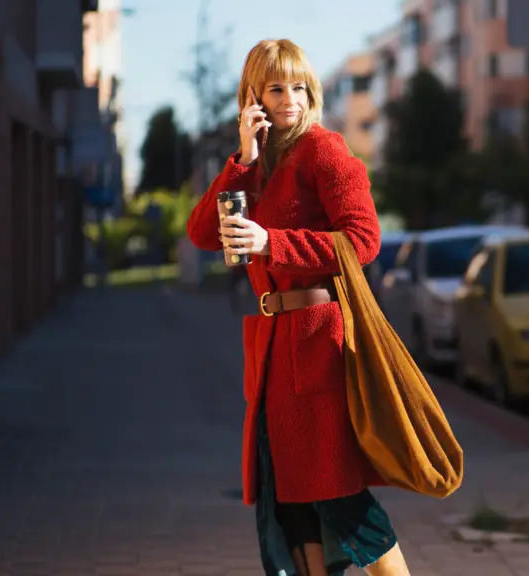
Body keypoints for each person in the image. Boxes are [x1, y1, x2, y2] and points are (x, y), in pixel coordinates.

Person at [185, 39, 409, 576]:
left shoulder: (324, 150)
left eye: (300, 87)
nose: (291, 100)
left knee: (336, 493)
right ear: (253, 97)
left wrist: (272, 242)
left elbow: (363, 240)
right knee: (290, 498)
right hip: (271, 351)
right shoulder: (257, 164)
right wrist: (242, 158)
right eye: (277, 89)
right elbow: (200, 233)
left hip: (318, 344)